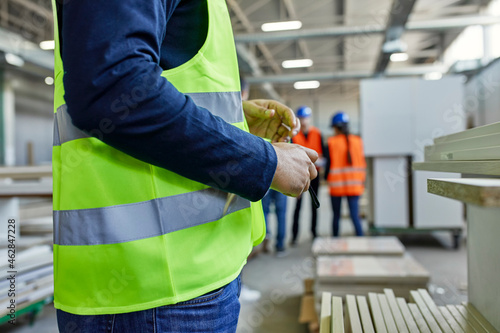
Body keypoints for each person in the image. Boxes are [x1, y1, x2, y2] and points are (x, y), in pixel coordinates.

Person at [51, 0, 318, 332]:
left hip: (185, 283)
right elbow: (111, 87)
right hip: (156, 294)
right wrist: (265, 160)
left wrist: (232, 118)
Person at [325, 112, 366, 237]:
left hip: (337, 186)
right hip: (355, 185)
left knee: (336, 215)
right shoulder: (358, 141)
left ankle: (335, 241)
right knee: (355, 215)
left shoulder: (331, 142)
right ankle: (361, 239)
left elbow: (328, 165)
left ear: (336, 127)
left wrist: (326, 177)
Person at [291, 106, 324, 244]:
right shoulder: (293, 135)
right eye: (301, 118)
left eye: (306, 118)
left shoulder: (317, 133)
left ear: (309, 118)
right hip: (299, 175)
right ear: (298, 119)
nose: (304, 121)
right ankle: (294, 236)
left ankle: (314, 233)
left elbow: (323, 155)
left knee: (314, 206)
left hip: (314, 175)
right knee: (297, 207)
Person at [261, 189, 288, 256]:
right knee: (281, 214)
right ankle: (280, 245)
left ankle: (266, 233)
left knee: (264, 211)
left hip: (268, 184)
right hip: (282, 184)